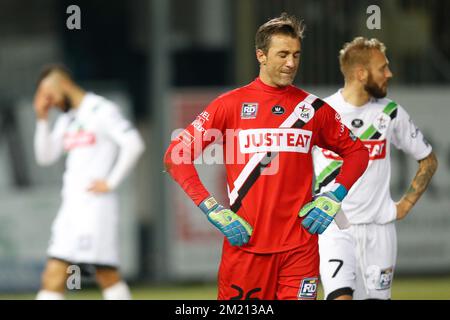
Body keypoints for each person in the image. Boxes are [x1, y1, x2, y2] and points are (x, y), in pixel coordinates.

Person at [164, 13, 369, 300]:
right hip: (245, 249)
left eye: (296, 55)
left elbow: (357, 152)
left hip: (299, 249)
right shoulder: (229, 105)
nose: (291, 63)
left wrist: (334, 196)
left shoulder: (312, 109)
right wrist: (212, 209)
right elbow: (176, 156)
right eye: (283, 54)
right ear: (260, 55)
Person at [312, 37, 438, 300]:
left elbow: (428, 159)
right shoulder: (321, 113)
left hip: (379, 231)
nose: (389, 74)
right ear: (361, 73)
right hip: (335, 228)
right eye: (383, 68)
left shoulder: (391, 113)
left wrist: (405, 204)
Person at [33, 64, 145, 300]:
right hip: (71, 208)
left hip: (96, 208)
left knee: (106, 273)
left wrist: (111, 182)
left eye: (49, 95)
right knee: (53, 274)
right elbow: (44, 157)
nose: (49, 102)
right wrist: (42, 119)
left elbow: (134, 143)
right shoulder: (68, 119)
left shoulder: (101, 109)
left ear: (61, 84)